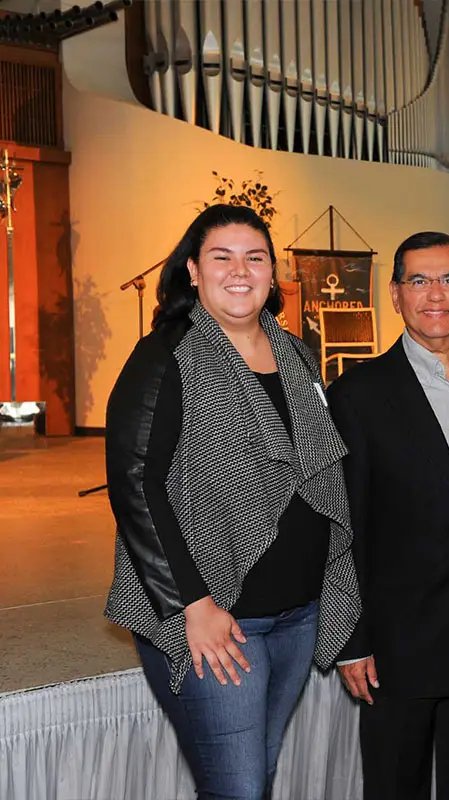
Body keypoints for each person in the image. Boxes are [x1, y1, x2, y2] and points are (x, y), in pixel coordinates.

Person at [104, 204, 361, 800]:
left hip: (298, 614)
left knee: (255, 779)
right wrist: (192, 603)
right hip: (217, 618)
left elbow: (320, 472)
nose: (239, 271)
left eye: (255, 257)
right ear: (193, 270)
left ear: (273, 273)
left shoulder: (297, 353)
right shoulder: (166, 355)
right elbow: (135, 486)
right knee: (240, 790)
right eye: (222, 257)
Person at [326, 231, 449, 800]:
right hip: (398, 643)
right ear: (394, 294)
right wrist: (351, 637)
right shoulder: (357, 393)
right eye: (418, 280)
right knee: (395, 787)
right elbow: (343, 524)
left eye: (448, 279)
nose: (434, 294)